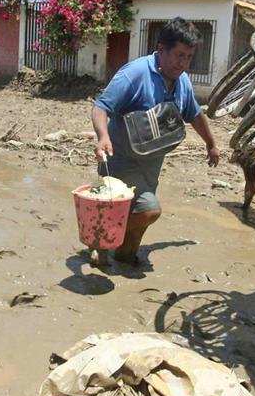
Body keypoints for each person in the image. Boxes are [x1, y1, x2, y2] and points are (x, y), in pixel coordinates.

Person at [91, 17, 221, 266]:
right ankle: (100, 237)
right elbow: (101, 107)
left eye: (189, 57)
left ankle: (116, 253)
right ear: (161, 49)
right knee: (150, 211)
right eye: (179, 55)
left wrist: (211, 144)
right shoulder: (135, 74)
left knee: (134, 239)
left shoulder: (181, 81)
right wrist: (103, 137)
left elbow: (194, 114)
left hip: (151, 165)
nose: (183, 63)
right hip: (120, 161)